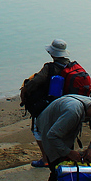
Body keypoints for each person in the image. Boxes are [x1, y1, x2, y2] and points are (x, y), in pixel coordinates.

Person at [20, 38, 73, 168]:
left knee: (37, 130)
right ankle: (65, 156)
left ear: (52, 53)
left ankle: (46, 158)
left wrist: (25, 89)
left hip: (51, 103)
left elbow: (35, 82)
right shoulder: (71, 66)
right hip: (68, 102)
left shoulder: (49, 68)